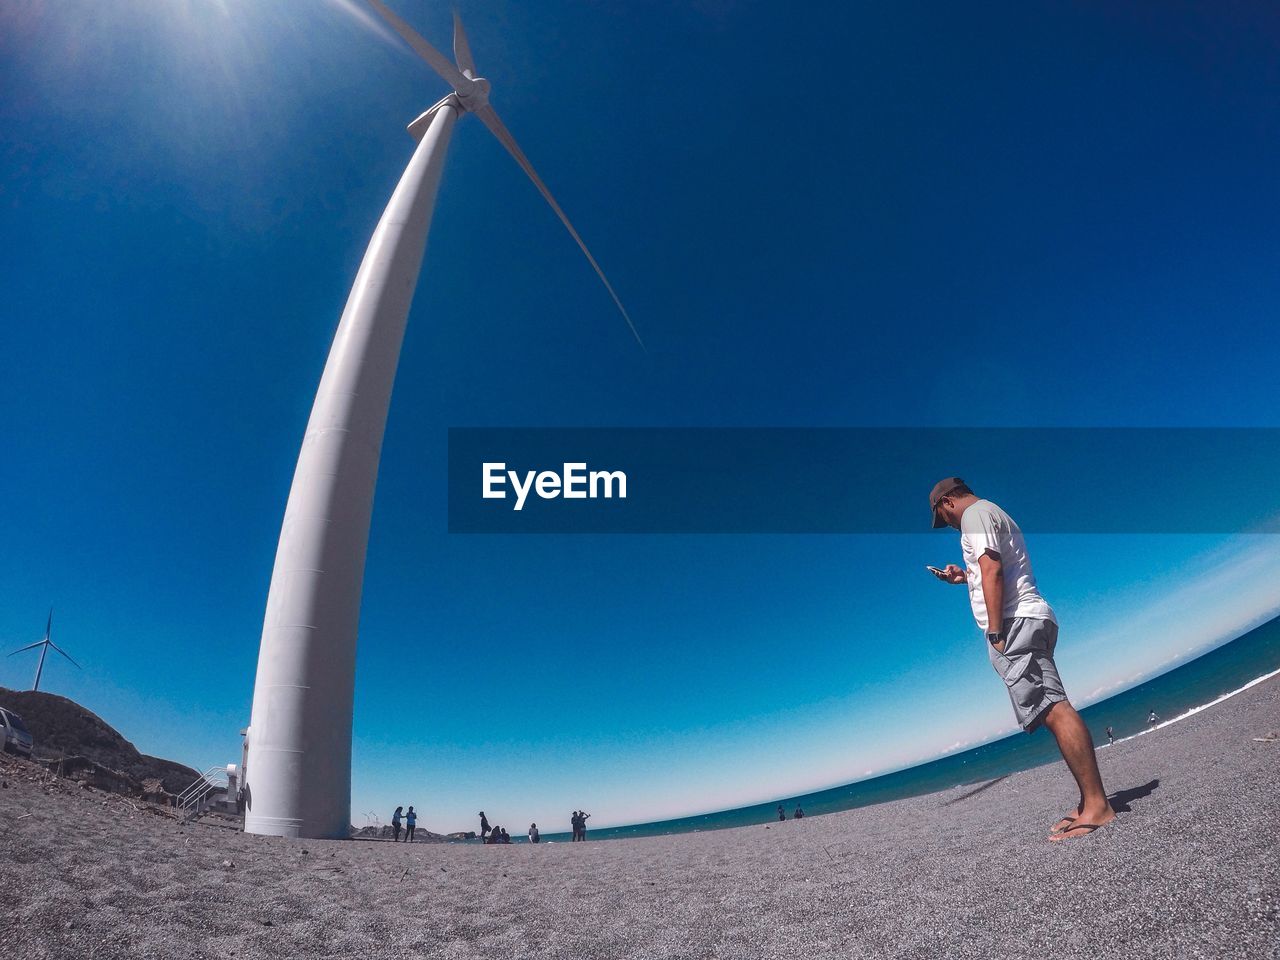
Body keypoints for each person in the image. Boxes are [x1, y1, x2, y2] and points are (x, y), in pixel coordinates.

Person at [928, 477, 1114, 842]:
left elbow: (993, 568)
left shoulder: (974, 517)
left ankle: (1097, 806)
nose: (946, 525)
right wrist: (962, 578)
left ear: (948, 502)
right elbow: (993, 570)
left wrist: (996, 632)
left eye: (941, 517)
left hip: (1015, 622)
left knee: (1054, 709)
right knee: (1052, 707)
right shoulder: (992, 513)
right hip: (1029, 616)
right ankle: (1088, 801)